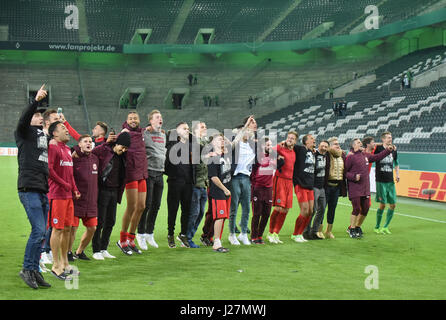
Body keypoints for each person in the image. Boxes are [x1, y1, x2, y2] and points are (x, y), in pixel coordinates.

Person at [16, 84, 53, 289]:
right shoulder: (23, 132)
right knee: (38, 230)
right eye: (37, 115)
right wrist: (35, 101)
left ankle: (35, 270)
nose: (40, 117)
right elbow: (23, 119)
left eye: (41, 116)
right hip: (28, 187)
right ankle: (27, 269)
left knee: (42, 231)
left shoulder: (42, 136)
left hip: (42, 188)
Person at [47, 121, 80, 279]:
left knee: (67, 229)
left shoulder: (67, 149)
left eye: (67, 128)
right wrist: (65, 184)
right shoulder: (53, 147)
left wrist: (74, 188)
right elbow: (50, 169)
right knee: (57, 229)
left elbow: (70, 173)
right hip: (57, 194)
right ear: (54, 133)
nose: (67, 131)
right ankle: (55, 265)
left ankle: (65, 263)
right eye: (63, 129)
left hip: (68, 195)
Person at [91, 132, 130, 259]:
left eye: (125, 149)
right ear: (116, 144)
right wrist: (107, 143)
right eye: (122, 147)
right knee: (100, 222)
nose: (123, 150)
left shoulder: (123, 156)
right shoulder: (105, 150)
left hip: (115, 191)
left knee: (110, 221)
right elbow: (94, 151)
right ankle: (96, 250)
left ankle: (103, 248)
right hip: (102, 190)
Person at [345, 138, 393, 238]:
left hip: (365, 188)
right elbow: (345, 173)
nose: (360, 143)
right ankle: (352, 229)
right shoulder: (350, 157)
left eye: (360, 142)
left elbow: (377, 157)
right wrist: (353, 177)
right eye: (358, 142)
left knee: (366, 208)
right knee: (356, 208)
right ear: (354, 146)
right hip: (355, 187)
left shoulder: (365, 155)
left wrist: (388, 150)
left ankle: (357, 227)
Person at [117, 112, 148, 255]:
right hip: (130, 173)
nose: (133, 120)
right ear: (126, 120)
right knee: (131, 206)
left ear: (139, 120)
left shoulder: (141, 132)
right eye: (130, 118)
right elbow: (117, 150)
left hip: (142, 172)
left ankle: (131, 238)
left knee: (141, 207)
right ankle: (122, 240)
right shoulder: (124, 134)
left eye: (135, 118)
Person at [137, 110, 166, 250]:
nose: (160, 119)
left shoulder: (163, 135)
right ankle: (140, 233)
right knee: (146, 205)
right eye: (157, 117)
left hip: (160, 173)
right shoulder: (145, 133)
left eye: (161, 117)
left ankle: (150, 233)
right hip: (149, 173)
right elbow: (134, 133)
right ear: (151, 121)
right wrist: (143, 129)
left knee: (156, 205)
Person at [228, 116, 257, 246]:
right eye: (245, 131)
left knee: (246, 208)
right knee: (233, 208)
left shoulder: (253, 146)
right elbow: (236, 138)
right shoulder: (236, 143)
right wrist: (246, 125)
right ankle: (232, 234)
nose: (247, 133)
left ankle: (244, 233)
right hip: (235, 178)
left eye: (248, 132)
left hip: (246, 178)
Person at [69, 135, 99, 261]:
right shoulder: (73, 158)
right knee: (72, 228)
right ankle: (68, 252)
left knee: (92, 228)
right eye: (85, 141)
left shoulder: (95, 159)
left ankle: (79, 251)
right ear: (79, 144)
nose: (88, 143)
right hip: (76, 200)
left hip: (91, 201)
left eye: (90, 142)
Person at [165, 122, 194, 248]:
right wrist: (176, 132)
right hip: (175, 181)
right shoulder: (172, 143)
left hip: (188, 182)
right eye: (184, 128)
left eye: (188, 129)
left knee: (186, 210)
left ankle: (183, 234)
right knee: (173, 209)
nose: (187, 130)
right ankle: (170, 234)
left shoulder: (191, 145)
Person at [267, 131, 297, 244]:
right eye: (288, 138)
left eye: (292, 138)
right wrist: (280, 144)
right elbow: (270, 150)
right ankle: (270, 233)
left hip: (289, 182)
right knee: (278, 208)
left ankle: (276, 233)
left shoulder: (294, 152)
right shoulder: (281, 148)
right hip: (279, 180)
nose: (290, 139)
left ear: (295, 141)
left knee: (285, 209)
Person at [207, 133, 232, 253]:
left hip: (226, 190)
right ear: (212, 143)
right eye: (219, 139)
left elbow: (232, 144)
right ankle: (216, 243)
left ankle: (217, 240)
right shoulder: (212, 157)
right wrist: (224, 189)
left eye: (222, 139)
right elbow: (213, 177)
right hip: (219, 191)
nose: (222, 141)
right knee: (220, 216)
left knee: (223, 217)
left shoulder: (225, 154)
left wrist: (223, 139)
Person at [186, 121, 209, 248]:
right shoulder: (194, 144)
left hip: (204, 184)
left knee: (200, 213)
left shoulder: (205, 143)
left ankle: (189, 235)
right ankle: (187, 237)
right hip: (195, 184)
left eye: (206, 127)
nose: (205, 128)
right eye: (202, 127)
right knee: (194, 213)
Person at [250, 137, 276, 244]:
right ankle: (254, 236)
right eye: (267, 145)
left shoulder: (273, 156)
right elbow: (252, 171)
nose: (269, 147)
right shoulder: (257, 157)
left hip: (269, 188)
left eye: (270, 145)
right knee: (257, 213)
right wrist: (254, 184)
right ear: (262, 146)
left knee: (266, 213)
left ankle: (260, 235)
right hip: (258, 188)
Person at [291, 134, 315, 243]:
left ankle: (300, 233)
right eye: (311, 139)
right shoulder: (300, 149)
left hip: (310, 185)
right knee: (304, 210)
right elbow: (290, 145)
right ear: (305, 141)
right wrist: (284, 143)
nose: (314, 140)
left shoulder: (312, 152)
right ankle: (296, 234)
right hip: (300, 184)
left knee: (310, 211)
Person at [374, 132, 399, 234]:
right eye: (388, 138)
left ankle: (385, 226)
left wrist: (397, 174)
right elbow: (371, 145)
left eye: (391, 137)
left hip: (390, 181)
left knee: (393, 205)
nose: (390, 139)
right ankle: (377, 226)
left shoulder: (394, 150)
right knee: (382, 205)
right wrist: (380, 144)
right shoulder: (378, 149)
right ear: (383, 139)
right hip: (380, 181)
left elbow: (396, 163)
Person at [303, 140, 329, 240]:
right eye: (322, 146)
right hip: (313, 186)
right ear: (319, 146)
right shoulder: (314, 154)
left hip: (322, 187)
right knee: (312, 210)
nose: (324, 148)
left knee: (322, 209)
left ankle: (314, 231)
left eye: (326, 146)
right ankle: (306, 231)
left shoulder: (326, 156)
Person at [323, 137, 347, 239]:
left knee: (332, 210)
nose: (338, 146)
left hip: (336, 187)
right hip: (326, 186)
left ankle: (328, 230)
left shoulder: (342, 155)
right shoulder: (326, 154)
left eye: (338, 144)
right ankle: (318, 230)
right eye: (335, 144)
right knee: (321, 209)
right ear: (330, 146)